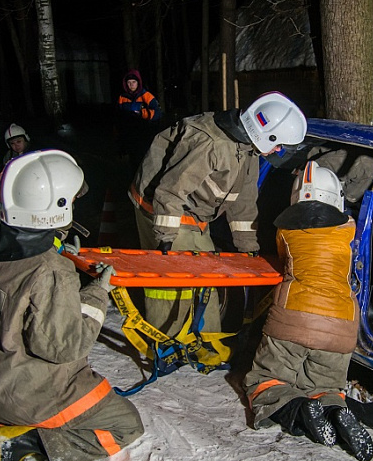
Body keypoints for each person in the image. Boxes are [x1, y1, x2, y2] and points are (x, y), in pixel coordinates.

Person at [0, 150, 144, 461]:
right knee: (125, 425)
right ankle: (22, 445)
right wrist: (98, 291)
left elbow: (17, 290)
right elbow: (66, 347)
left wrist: (56, 246)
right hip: (25, 397)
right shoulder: (48, 271)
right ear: (56, 206)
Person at [129, 91, 307, 340]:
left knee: (205, 279)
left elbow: (244, 201)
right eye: (278, 144)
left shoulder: (249, 150)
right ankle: (170, 344)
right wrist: (166, 236)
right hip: (163, 208)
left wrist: (248, 248)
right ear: (266, 135)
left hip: (194, 213)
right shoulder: (212, 144)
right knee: (172, 284)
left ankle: (205, 340)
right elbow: (170, 189)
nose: (278, 150)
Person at [243, 161, 373, 461]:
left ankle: (298, 410)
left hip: (296, 318)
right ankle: (333, 408)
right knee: (325, 385)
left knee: (266, 380)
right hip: (342, 325)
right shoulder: (347, 229)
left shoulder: (286, 229)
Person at [117, 69, 163, 169]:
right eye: (129, 83)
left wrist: (142, 113)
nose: (131, 85)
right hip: (130, 132)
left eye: (134, 82)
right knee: (133, 161)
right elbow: (119, 115)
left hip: (144, 131)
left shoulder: (146, 95)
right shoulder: (122, 97)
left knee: (145, 159)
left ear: (138, 82)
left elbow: (158, 113)